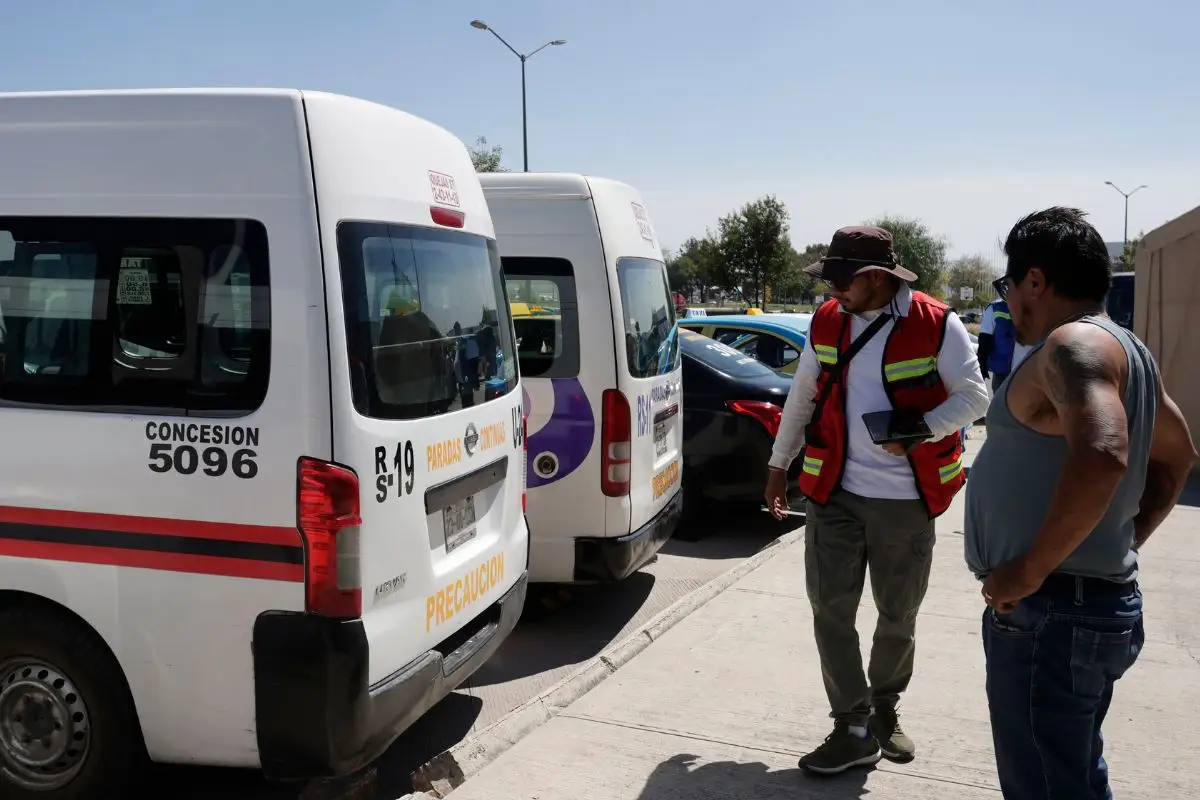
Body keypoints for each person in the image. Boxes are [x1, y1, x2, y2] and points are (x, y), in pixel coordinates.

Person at [966, 207, 1197, 799]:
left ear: (1035, 282)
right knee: (1071, 779)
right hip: (1083, 605)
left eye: (1009, 285)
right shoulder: (1129, 351)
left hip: (1053, 612)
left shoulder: (1072, 345)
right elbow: (1177, 455)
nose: (1010, 300)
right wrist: (1124, 535)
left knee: (1044, 787)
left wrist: (1030, 569)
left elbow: (1104, 453)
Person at [764, 226, 989, 774]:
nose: (831, 291)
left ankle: (885, 706)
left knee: (897, 614)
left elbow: (976, 396)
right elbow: (803, 394)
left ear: (874, 278)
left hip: (904, 501)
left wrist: (923, 427)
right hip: (833, 493)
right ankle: (854, 723)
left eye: (840, 280)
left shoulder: (938, 324)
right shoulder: (827, 321)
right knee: (830, 610)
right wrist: (778, 463)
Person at [977, 296, 1032, 392]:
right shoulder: (994, 308)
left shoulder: (1033, 306)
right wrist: (982, 364)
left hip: (1024, 370)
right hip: (1002, 372)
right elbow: (985, 338)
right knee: (1000, 404)